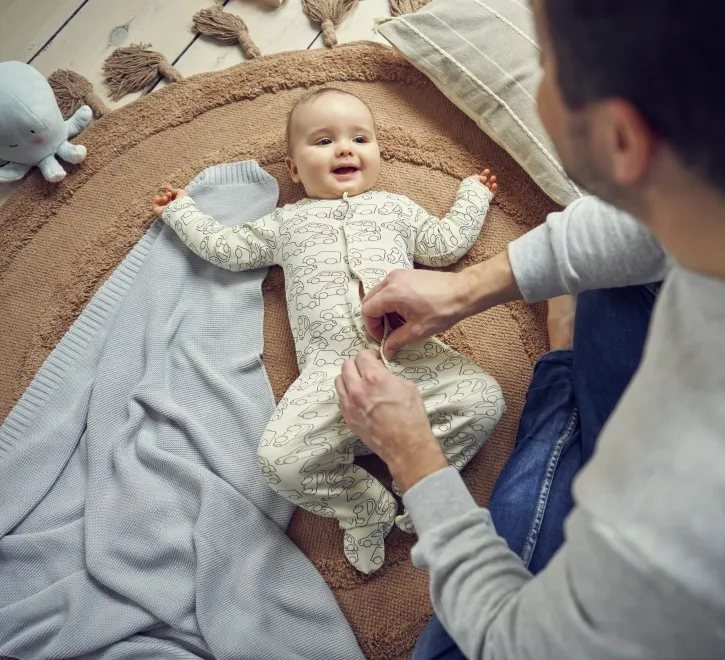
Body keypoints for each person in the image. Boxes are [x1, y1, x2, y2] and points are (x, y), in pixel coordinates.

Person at [334, 0, 725, 657]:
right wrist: (467, 286)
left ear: (623, 139)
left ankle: (558, 387)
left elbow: (515, 641)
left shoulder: (678, 518)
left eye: (546, 62)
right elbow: (663, 210)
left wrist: (413, 458)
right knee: (606, 283)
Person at [152, 87, 502, 574]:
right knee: (279, 462)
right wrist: (183, 212)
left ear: (378, 152)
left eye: (360, 137)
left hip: (414, 355)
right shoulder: (285, 223)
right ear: (294, 169)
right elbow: (228, 248)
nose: (345, 148)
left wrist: (473, 197)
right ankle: (364, 504)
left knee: (484, 398)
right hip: (329, 376)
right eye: (323, 141)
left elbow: (443, 244)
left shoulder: (395, 208)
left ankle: (416, 480)